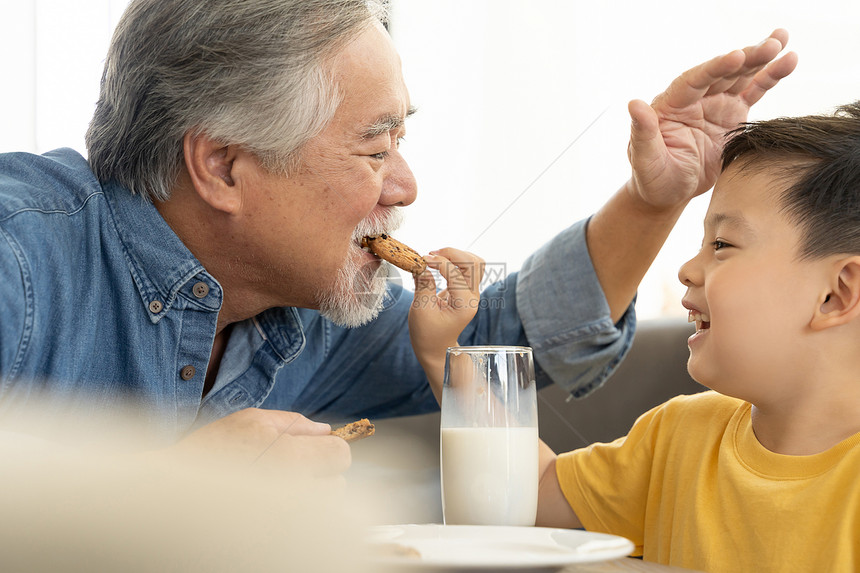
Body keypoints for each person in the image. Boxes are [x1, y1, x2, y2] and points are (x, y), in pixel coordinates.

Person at [0, 0, 795, 473]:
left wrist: (654, 199)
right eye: (375, 148)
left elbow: (495, 347)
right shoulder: (20, 259)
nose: (406, 186)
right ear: (223, 164)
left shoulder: (300, 305)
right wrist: (175, 491)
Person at [411, 102, 860, 572]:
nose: (688, 269)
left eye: (723, 245)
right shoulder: (679, 436)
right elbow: (527, 490)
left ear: (835, 294)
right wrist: (443, 353)